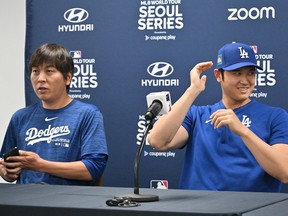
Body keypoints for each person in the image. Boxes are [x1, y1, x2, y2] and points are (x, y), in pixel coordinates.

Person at [148, 42, 288, 192]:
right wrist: (193, 90)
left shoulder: (276, 116)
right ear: (218, 75)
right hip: (198, 209)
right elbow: (157, 141)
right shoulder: (197, 115)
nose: (245, 80)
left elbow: (284, 172)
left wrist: (243, 131)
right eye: (237, 73)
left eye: (251, 73)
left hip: (250, 210)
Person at [0, 43, 108, 186]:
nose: (40, 79)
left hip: (68, 203)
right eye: (35, 71)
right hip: (25, 201)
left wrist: (40, 165)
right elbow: (6, 168)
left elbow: (93, 169)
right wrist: (6, 172)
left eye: (49, 71)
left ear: (67, 78)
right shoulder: (20, 117)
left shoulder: (87, 114)